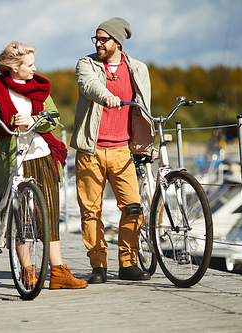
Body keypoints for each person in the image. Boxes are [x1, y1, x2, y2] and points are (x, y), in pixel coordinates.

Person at [0, 42, 88, 290]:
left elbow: (53, 119)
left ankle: (58, 272)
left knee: (50, 213)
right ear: (14, 67)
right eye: (30, 65)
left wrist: (32, 120)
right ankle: (28, 271)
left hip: (42, 156)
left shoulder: (40, 90)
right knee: (22, 218)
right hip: (16, 161)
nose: (35, 69)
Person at [70, 17, 155, 283]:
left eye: (103, 39)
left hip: (122, 152)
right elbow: (88, 85)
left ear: (117, 42)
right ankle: (99, 266)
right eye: (95, 39)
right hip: (90, 151)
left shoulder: (138, 69)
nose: (98, 43)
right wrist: (105, 93)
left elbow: (144, 110)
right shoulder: (87, 64)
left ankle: (128, 264)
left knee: (133, 207)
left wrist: (147, 144)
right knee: (90, 211)